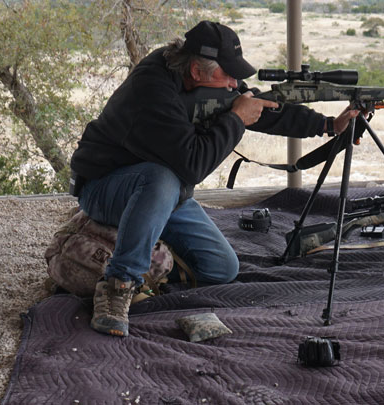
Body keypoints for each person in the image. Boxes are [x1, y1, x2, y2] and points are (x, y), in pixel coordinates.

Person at [69, 21, 358, 337]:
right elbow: (194, 165)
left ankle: (155, 264)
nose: (236, 83)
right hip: (105, 187)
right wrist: (235, 119)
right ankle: (118, 284)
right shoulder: (152, 91)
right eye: (229, 74)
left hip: (163, 193)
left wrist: (329, 125)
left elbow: (260, 107)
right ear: (196, 71)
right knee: (163, 178)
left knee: (221, 269)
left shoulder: (194, 81)